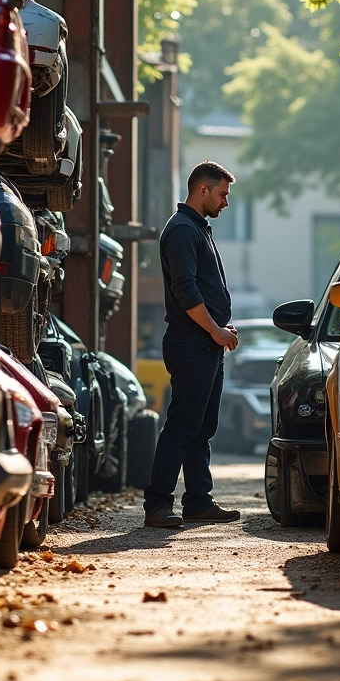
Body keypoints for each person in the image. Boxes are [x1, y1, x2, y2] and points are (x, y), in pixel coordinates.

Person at [142, 161, 243, 528]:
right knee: (183, 425)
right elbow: (186, 290)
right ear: (203, 190)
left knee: (202, 427)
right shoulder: (183, 230)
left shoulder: (197, 227)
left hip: (205, 341)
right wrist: (214, 330)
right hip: (192, 341)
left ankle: (198, 501)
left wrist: (218, 328)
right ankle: (157, 505)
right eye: (222, 194)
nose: (226, 202)